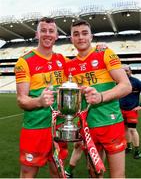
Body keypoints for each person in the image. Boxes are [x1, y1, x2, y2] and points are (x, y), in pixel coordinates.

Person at [64, 19, 132, 178]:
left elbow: (126, 86)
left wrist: (100, 97)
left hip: (111, 123)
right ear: (71, 39)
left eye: (84, 33)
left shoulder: (105, 53)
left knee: (117, 176)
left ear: (91, 36)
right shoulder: (69, 66)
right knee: (94, 173)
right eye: (76, 34)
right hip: (88, 127)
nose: (81, 37)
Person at [14, 17, 68, 178]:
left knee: (58, 171)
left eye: (51, 31)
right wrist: (39, 101)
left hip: (59, 127)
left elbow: (82, 63)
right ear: (37, 34)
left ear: (57, 35)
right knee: (27, 173)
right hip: (35, 128)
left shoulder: (63, 60)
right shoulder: (24, 61)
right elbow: (21, 99)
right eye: (43, 30)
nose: (47, 34)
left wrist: (100, 48)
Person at [119, 65, 141, 159]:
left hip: (132, 110)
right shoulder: (118, 82)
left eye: (126, 71)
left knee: (132, 130)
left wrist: (140, 106)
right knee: (125, 129)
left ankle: (137, 150)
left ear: (130, 71)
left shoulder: (136, 82)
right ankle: (129, 147)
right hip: (121, 110)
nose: (125, 72)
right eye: (123, 71)